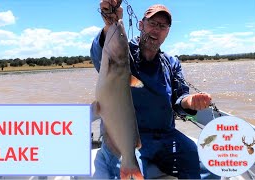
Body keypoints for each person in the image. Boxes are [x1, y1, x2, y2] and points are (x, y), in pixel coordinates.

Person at [90, 0, 217, 179]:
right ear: (141, 25)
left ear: (167, 32)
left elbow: (179, 100)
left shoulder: (172, 63)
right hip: (127, 139)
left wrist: (190, 101)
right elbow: (101, 54)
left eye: (163, 26)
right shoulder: (123, 52)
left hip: (166, 137)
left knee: (211, 165)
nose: (156, 29)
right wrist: (110, 22)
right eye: (152, 23)